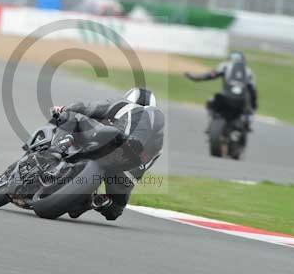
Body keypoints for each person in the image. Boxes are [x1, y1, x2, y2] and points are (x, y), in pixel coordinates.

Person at [49, 87, 164, 221]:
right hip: (125, 166)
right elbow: (143, 167)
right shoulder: (157, 138)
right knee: (114, 209)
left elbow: (89, 107)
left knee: (71, 117)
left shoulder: (122, 105)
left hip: (108, 142)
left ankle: (56, 150)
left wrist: (64, 109)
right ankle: (93, 201)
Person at [185, 51, 258, 130]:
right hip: (240, 101)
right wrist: (253, 106)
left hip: (225, 97)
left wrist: (195, 78)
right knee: (249, 112)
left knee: (210, 102)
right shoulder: (249, 71)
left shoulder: (225, 66)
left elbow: (210, 75)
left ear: (230, 59)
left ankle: (213, 122)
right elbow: (252, 90)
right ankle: (246, 123)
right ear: (243, 61)